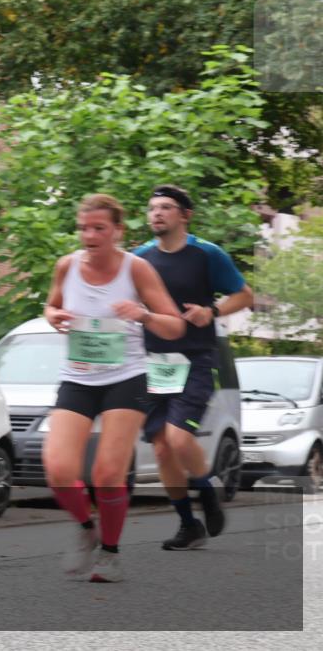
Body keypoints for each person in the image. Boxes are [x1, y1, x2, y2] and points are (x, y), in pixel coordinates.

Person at [43, 193, 185, 583]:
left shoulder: (136, 269)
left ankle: (110, 553)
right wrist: (54, 315)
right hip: (78, 376)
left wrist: (142, 314)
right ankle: (86, 528)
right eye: (84, 228)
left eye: (99, 228)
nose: (89, 236)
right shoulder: (66, 266)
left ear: (117, 231)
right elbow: (51, 305)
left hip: (126, 377)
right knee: (58, 470)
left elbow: (175, 326)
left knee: (107, 473)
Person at [134, 184, 254, 550]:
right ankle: (189, 525)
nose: (156, 213)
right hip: (154, 363)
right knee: (161, 449)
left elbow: (244, 295)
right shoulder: (139, 259)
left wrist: (211, 311)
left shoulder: (207, 254)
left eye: (166, 207)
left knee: (179, 438)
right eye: (152, 208)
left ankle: (208, 492)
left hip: (196, 358)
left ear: (185, 215)